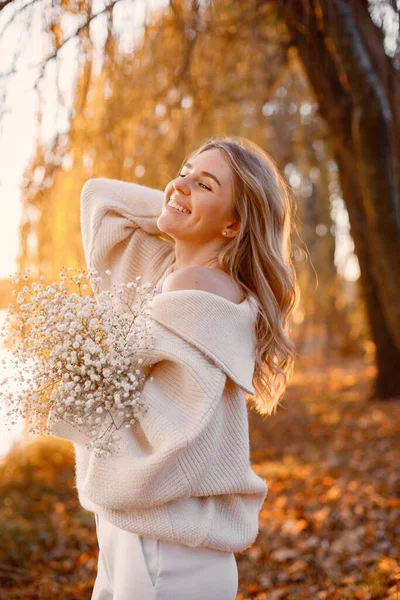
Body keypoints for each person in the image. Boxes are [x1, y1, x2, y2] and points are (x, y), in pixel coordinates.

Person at [48, 135, 299, 599]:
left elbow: (166, 433)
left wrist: (183, 209)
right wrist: (184, 204)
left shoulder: (194, 283)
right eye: (182, 170)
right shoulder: (181, 273)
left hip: (164, 552)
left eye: (204, 184)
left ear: (232, 225)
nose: (179, 184)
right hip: (156, 541)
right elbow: (100, 200)